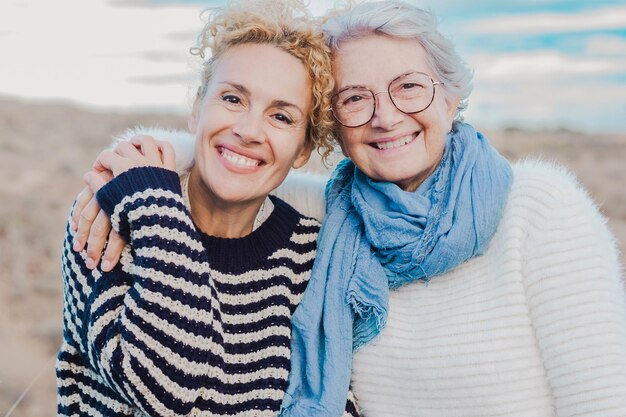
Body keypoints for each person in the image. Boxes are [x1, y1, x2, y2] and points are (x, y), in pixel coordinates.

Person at [73, 1, 626, 416]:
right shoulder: (337, 213)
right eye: (355, 97)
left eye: (410, 88)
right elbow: (240, 156)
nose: (385, 116)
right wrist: (136, 174)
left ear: (453, 95)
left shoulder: (538, 208)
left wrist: (144, 175)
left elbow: (604, 401)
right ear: (333, 129)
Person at [56, 1, 361, 416]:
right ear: (198, 107)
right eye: (233, 98)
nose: (249, 131)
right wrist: (156, 210)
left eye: (281, 116)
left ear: (304, 149)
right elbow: (167, 389)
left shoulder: (310, 256)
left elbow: (334, 398)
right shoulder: (113, 220)